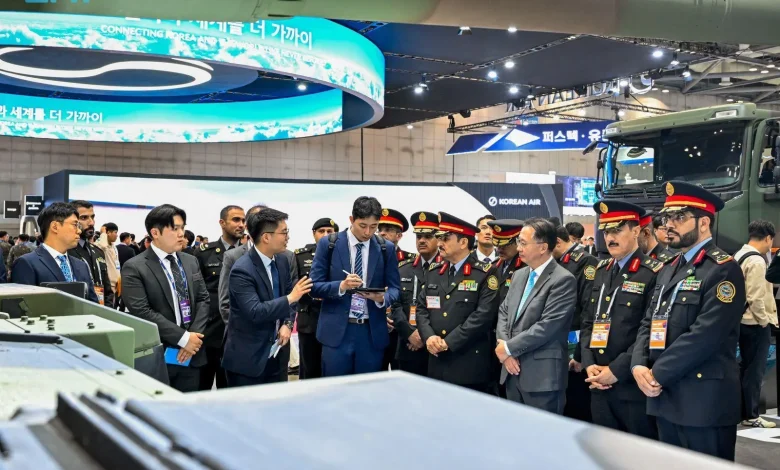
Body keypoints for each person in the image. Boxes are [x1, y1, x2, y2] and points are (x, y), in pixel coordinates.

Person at [631, 181, 745, 461]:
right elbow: (649, 321)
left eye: (679, 217)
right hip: (665, 396)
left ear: (704, 223)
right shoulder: (670, 267)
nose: (669, 224)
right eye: (667, 217)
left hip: (703, 400)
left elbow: (705, 336)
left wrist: (657, 373)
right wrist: (638, 364)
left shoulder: (723, 269)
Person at [580, 201, 663, 439]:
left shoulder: (653, 272)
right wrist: (589, 363)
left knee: (637, 453)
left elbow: (649, 331)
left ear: (636, 231)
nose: (610, 238)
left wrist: (616, 370)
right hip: (597, 382)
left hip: (631, 385)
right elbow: (588, 321)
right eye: (606, 231)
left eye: (617, 230)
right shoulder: (602, 270)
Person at [121, 204, 210, 392]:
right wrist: (183, 338)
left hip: (192, 353)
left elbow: (203, 299)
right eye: (175, 229)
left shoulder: (190, 261)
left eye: (183, 228)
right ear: (155, 233)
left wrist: (193, 338)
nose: (181, 234)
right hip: (159, 354)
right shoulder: (135, 267)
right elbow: (141, 311)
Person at [309, 196, 401, 377]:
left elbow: (395, 289)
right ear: (351, 219)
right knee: (335, 388)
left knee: (367, 389)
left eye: (373, 226)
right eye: (363, 225)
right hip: (336, 334)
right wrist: (341, 286)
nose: (368, 232)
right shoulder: (329, 244)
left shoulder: (385, 248)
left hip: (370, 333)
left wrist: (383, 298)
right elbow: (314, 286)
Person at [222, 209, 312, 387]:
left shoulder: (282, 261)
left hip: (277, 354)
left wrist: (287, 324)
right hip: (249, 359)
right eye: (284, 232)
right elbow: (255, 311)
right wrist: (291, 298)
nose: (287, 237)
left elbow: (289, 299)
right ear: (266, 237)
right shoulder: (242, 270)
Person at [495, 218, 576, 414]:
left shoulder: (563, 280)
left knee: (544, 432)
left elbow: (547, 326)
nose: (518, 248)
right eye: (518, 242)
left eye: (523, 243)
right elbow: (504, 312)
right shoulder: (519, 275)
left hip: (542, 378)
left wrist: (508, 348)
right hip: (512, 371)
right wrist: (505, 349)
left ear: (543, 247)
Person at [415, 212, 498, 392]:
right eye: (439, 238)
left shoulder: (485, 273)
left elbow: (483, 316)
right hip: (436, 361)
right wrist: (429, 337)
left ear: (463, 242)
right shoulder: (434, 271)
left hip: (468, 364)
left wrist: (449, 342)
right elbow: (422, 308)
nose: (439, 243)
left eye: (445, 238)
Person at [194, 205, 246, 391]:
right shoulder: (204, 253)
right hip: (210, 332)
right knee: (202, 386)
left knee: (231, 388)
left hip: (239, 332)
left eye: (243, 220)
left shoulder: (250, 254)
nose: (241, 224)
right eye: (236, 220)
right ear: (222, 223)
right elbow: (196, 293)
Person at [551, 223, 598, 422]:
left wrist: (580, 352)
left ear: (557, 242)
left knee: (577, 401)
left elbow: (588, 310)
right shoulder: (558, 262)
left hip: (576, 340)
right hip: (558, 341)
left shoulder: (585, 262)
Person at [734, 220, 778, 428]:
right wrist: (764, 321)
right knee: (754, 370)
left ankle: (743, 412)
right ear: (768, 238)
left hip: (740, 321)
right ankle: (751, 415)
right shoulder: (758, 261)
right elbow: (756, 297)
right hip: (754, 323)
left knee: (744, 369)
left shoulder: (739, 255)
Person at [13, 202, 99, 303]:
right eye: (75, 225)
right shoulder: (27, 263)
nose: (79, 231)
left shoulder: (81, 265)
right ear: (55, 227)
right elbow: (23, 306)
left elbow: (93, 304)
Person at [391, 211, 440, 377]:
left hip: (437, 346)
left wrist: (425, 337)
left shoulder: (447, 269)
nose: (422, 240)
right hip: (408, 346)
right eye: (419, 236)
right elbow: (395, 305)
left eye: (428, 236)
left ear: (439, 238)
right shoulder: (403, 268)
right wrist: (410, 333)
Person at [294, 217, 339, 379]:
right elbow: (293, 286)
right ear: (314, 234)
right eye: (321, 231)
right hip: (309, 319)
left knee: (333, 369)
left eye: (329, 231)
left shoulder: (342, 255)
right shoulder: (300, 256)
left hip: (335, 319)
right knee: (309, 369)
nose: (325, 235)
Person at [486, 219, 525, 396]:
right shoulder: (495, 266)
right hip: (494, 337)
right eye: (498, 244)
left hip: (514, 339)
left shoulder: (525, 268)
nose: (500, 249)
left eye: (505, 244)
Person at [378, 207, 413, 372]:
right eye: (380, 229)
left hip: (401, 331)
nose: (382, 233)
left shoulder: (411, 262)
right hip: (376, 328)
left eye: (388, 230)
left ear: (399, 235)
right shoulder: (366, 259)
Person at [68, 200, 113, 307]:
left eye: (92, 217)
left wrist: (107, 311)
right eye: (84, 218)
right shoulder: (66, 252)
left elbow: (107, 290)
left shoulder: (98, 251)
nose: (91, 223)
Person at [96, 223, 121, 307]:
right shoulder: (101, 245)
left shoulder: (114, 247)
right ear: (108, 233)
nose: (117, 235)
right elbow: (102, 246)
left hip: (116, 285)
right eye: (115, 232)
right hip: (107, 286)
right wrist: (103, 233)